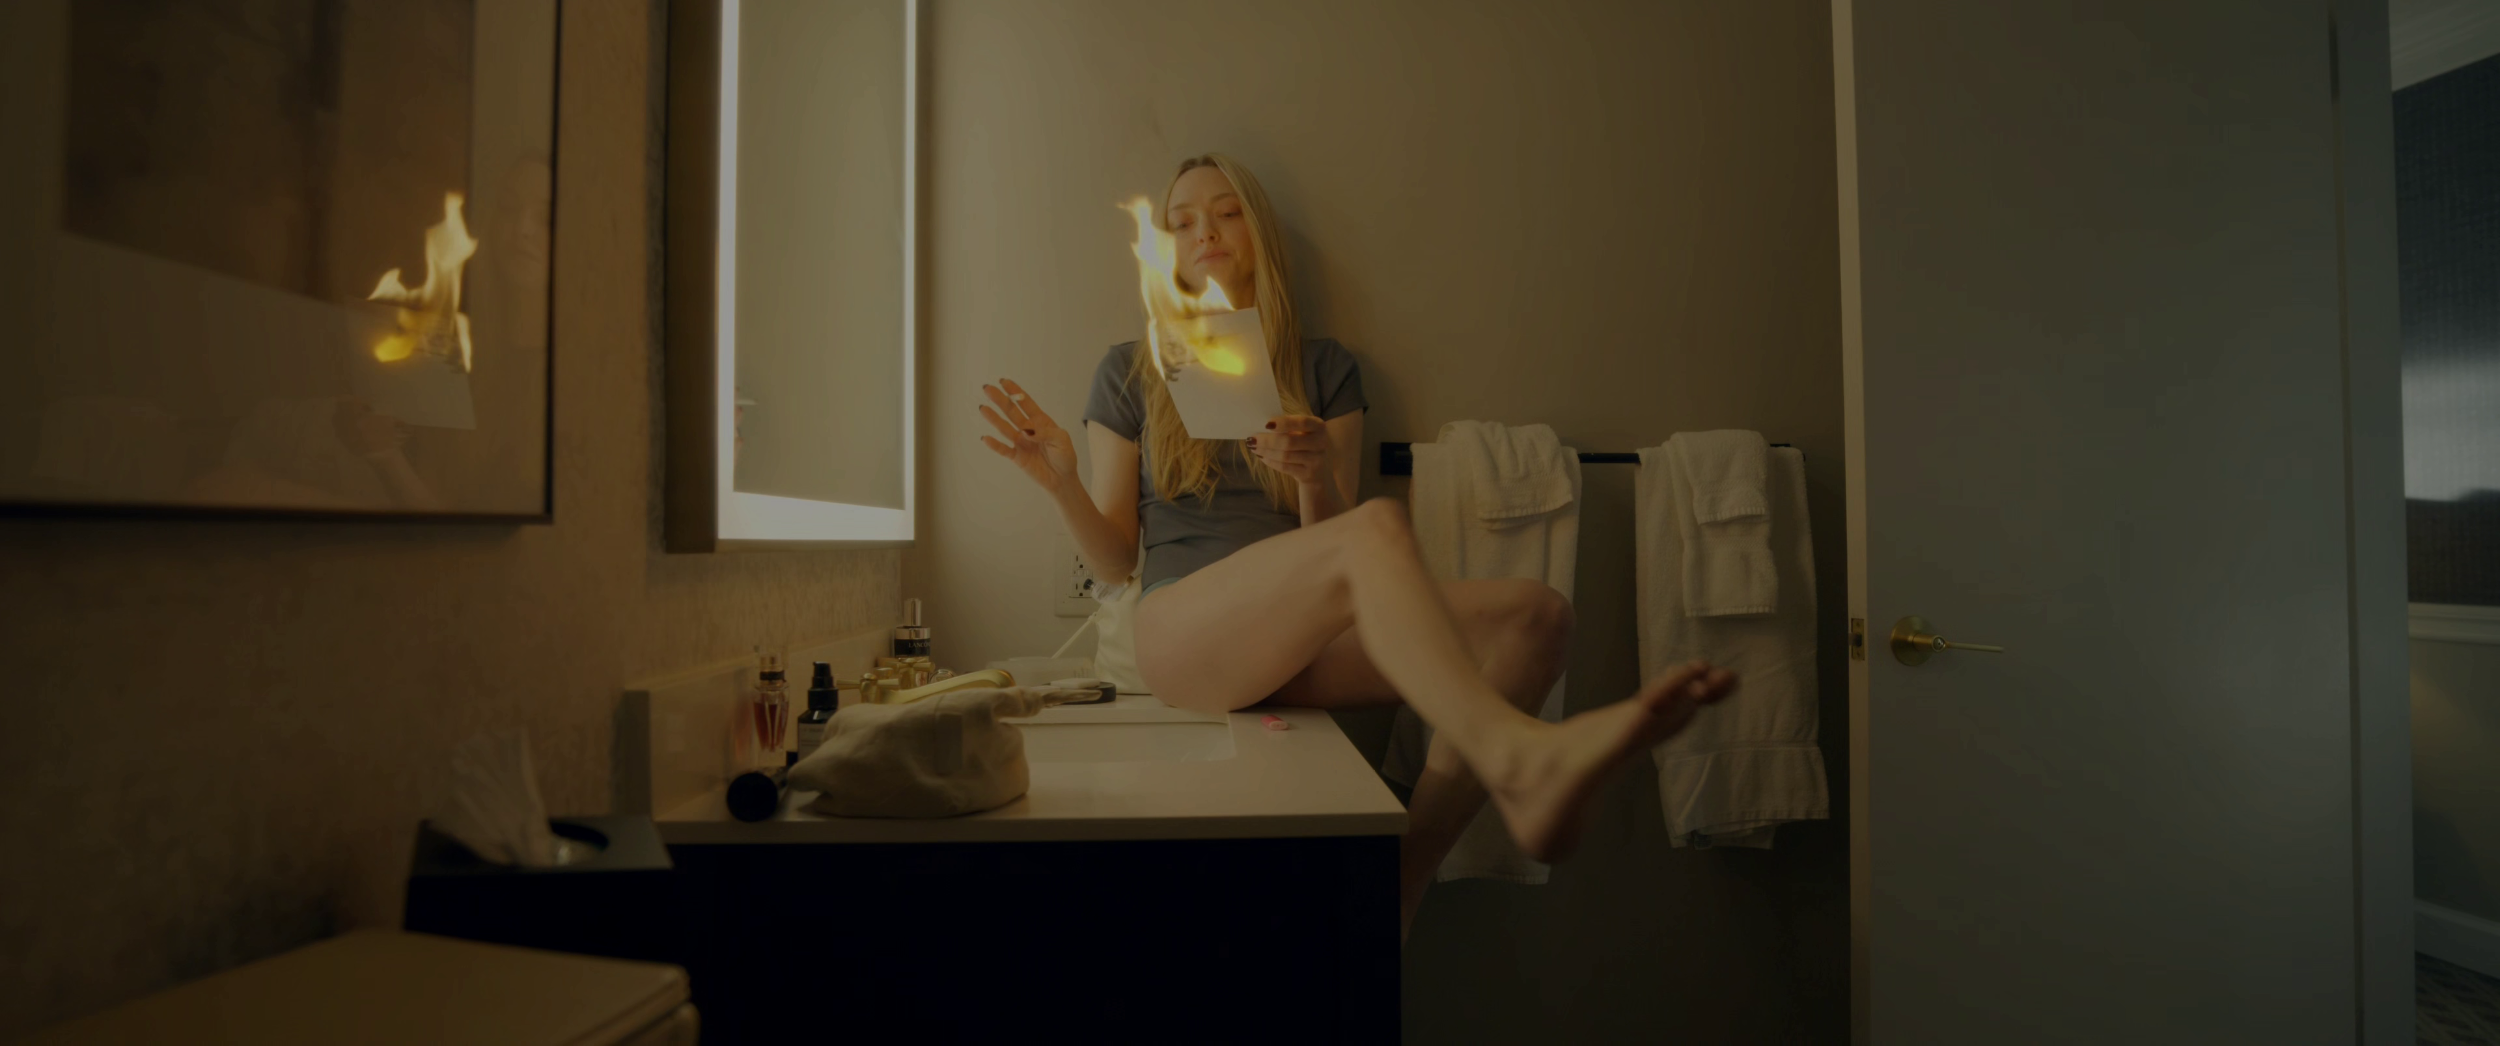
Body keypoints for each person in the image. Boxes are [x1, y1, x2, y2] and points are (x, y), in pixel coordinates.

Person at [979, 154, 1738, 938]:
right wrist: (1061, 482)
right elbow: (1113, 563)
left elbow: (1333, 556)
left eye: (1228, 212)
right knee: (1377, 528)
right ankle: (1518, 757)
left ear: (1259, 233)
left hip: (1304, 642)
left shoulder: (1325, 369)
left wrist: (1313, 475)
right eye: (1182, 220)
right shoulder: (1130, 372)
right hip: (1187, 636)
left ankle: (1405, 880)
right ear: (1168, 245)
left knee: (1538, 616)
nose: (1204, 230)